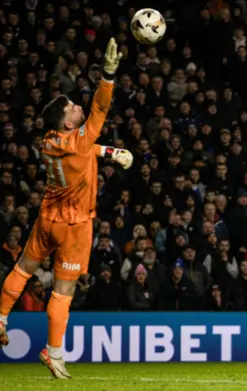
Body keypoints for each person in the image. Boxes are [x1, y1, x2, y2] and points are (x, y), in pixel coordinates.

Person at [0, 39, 130, 379]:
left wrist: (110, 153)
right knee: (63, 290)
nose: (78, 107)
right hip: (74, 224)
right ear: (69, 123)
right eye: (73, 107)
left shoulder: (50, 140)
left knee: (24, 267)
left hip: (47, 217)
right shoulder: (79, 137)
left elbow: (85, 149)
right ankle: (53, 351)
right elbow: (100, 109)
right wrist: (109, 75)